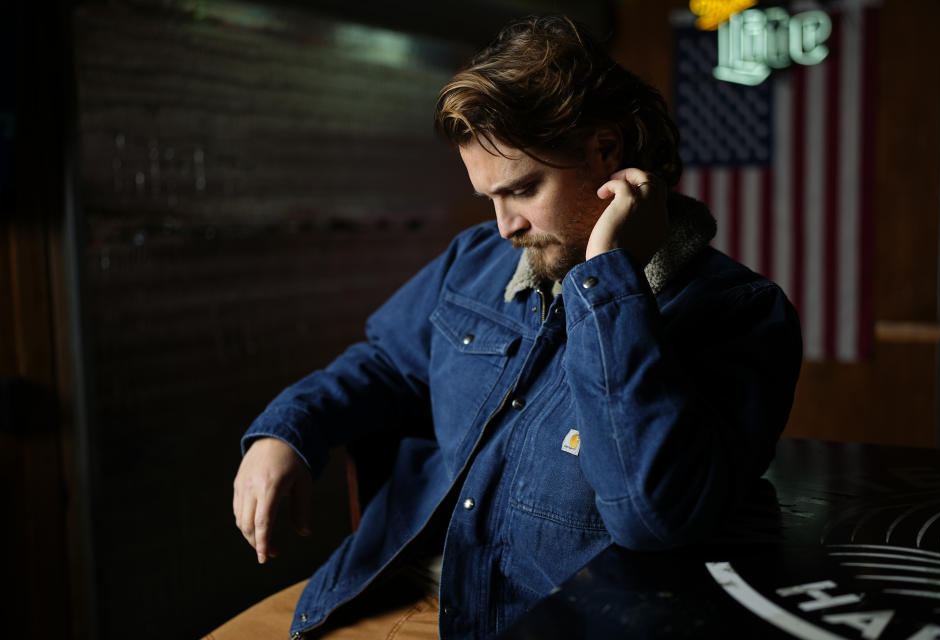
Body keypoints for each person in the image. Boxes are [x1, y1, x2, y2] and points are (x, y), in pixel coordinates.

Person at [211, 14, 802, 640]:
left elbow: (652, 515)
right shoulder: (475, 261)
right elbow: (386, 364)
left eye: (522, 190)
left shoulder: (740, 314)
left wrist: (609, 278)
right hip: (381, 588)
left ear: (605, 153)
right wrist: (290, 430)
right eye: (488, 198)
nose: (504, 228)